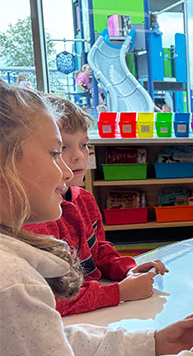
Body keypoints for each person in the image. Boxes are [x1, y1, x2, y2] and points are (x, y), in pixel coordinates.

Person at [0, 79, 193, 356]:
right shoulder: (12, 283)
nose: (67, 168)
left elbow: (48, 349)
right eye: (55, 152)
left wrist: (154, 342)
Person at [23, 96, 166, 316]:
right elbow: (53, 298)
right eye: (61, 149)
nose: (79, 156)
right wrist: (119, 292)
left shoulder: (85, 200)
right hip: (72, 322)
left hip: (95, 311)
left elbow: (98, 252)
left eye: (84, 145)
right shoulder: (35, 216)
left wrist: (127, 270)